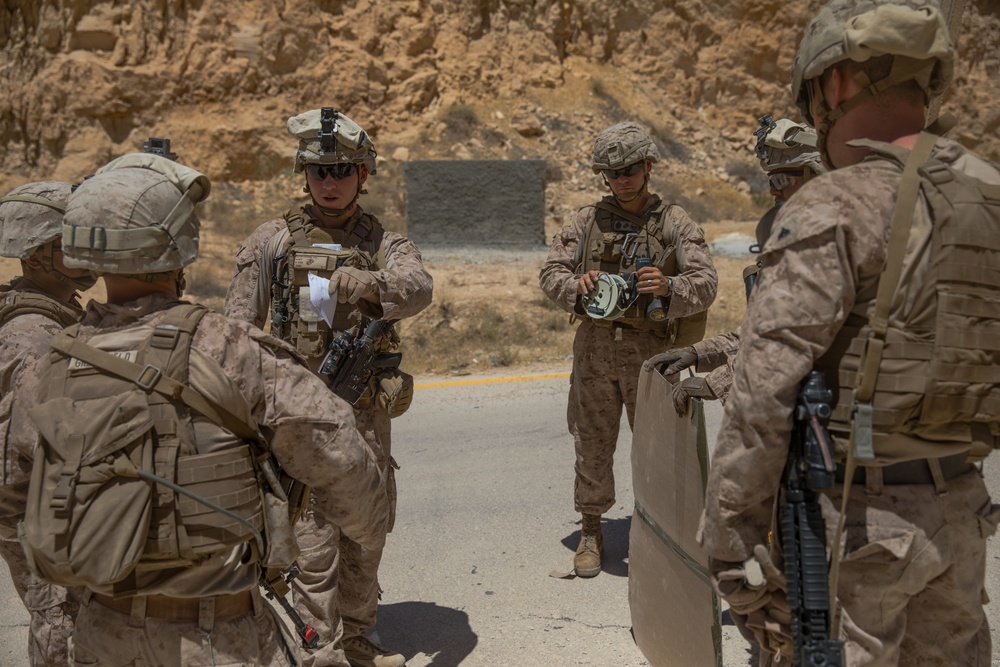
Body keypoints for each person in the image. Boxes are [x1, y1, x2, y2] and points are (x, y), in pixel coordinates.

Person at [698, 1, 1000, 665]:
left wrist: (730, 535)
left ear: (833, 85)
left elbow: (761, 392)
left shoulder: (836, 203)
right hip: (964, 514)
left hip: (862, 534)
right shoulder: (988, 196)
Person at [0, 153, 389, 666]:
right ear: (180, 249)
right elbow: (344, 463)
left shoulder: (52, 362)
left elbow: (13, 501)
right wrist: (361, 529)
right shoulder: (229, 348)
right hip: (218, 636)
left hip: (99, 633)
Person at [225, 108, 433, 667]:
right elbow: (237, 327)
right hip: (300, 417)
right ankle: (322, 650)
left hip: (365, 413)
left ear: (363, 174)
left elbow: (419, 288)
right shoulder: (272, 240)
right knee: (312, 538)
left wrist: (376, 283)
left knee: (367, 533)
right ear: (304, 175)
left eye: (343, 170)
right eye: (319, 172)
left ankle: (359, 637)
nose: (331, 182)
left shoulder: (385, 242)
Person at [538, 121, 718, 577]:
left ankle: (663, 536)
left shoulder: (674, 221)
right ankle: (592, 531)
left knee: (659, 449)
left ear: (648, 167)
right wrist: (576, 287)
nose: (623, 178)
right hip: (595, 351)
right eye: (613, 172)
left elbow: (707, 283)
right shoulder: (586, 221)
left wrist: (670, 285)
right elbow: (550, 273)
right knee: (592, 445)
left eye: (631, 168)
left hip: (652, 352)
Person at [647, 119, 827, 414]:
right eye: (770, 181)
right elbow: (759, 331)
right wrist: (695, 354)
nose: (772, 191)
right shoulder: (796, 240)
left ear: (815, 176)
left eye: (782, 180)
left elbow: (794, 338)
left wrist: (717, 382)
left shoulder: (830, 245)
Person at [0, 181, 97, 666]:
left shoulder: (50, 316)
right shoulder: (34, 336)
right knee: (62, 630)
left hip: (42, 513)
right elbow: (35, 446)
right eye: (74, 240)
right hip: (38, 520)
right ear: (37, 255)